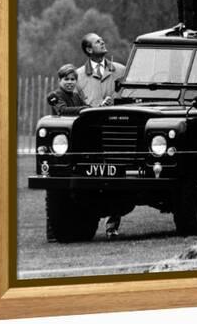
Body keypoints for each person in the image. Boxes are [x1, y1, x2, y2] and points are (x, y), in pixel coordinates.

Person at [76, 32, 126, 239]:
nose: (103, 42)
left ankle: (112, 224)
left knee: (119, 178)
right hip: (91, 136)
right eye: (97, 41)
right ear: (88, 49)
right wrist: (96, 107)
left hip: (118, 133)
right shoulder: (78, 76)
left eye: (102, 40)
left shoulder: (121, 70)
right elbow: (76, 106)